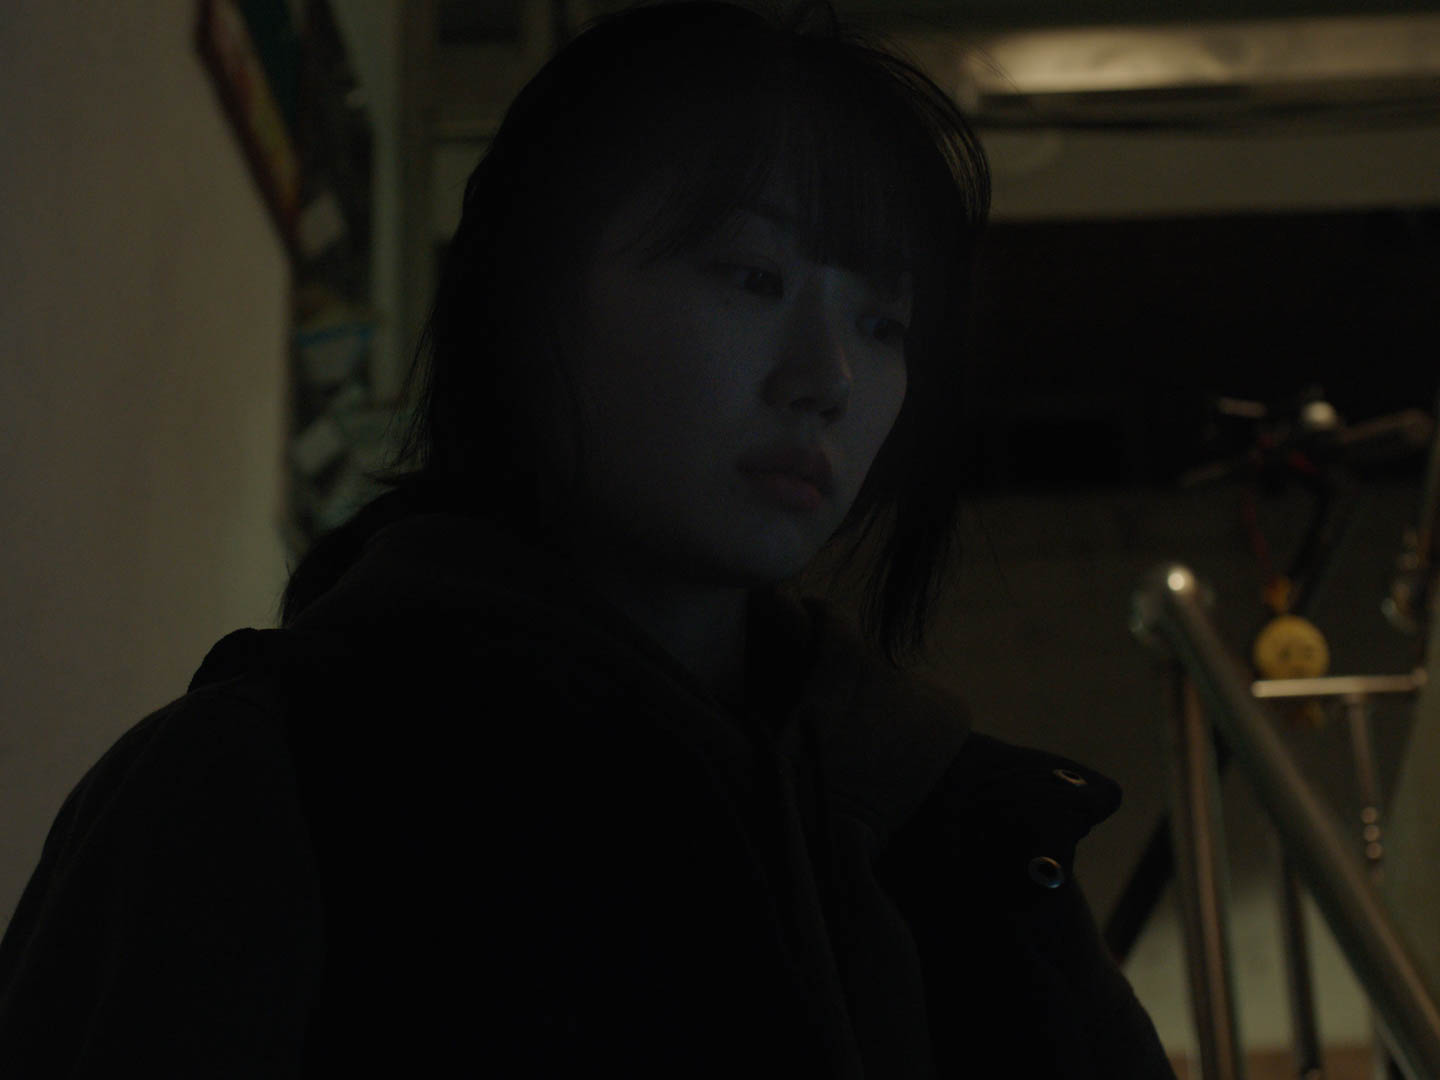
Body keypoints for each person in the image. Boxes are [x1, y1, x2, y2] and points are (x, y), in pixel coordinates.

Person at [0, 0, 1177, 1074]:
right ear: (530, 295)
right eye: (751, 275)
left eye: (884, 322)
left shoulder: (950, 827)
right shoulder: (271, 783)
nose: (828, 378)